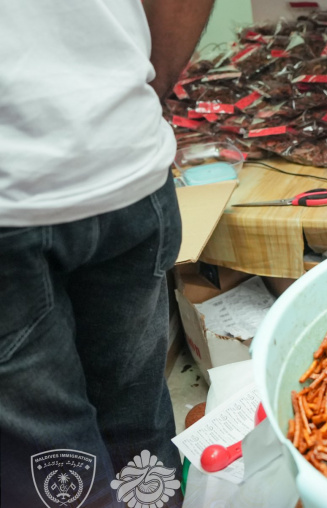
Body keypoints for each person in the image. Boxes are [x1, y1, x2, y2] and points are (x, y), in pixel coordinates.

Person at [0, 1, 214, 506]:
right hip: (125, 165)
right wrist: (128, 103)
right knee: (133, 417)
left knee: (53, 456)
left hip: (15, 198)